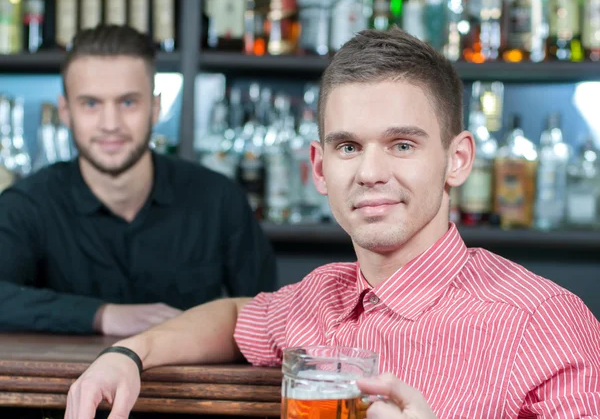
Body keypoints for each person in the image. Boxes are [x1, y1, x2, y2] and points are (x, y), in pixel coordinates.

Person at [64, 27, 600, 419]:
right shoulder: (317, 297)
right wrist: (129, 355)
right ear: (319, 168)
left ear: (457, 160)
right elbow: (233, 316)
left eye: (402, 144)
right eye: (348, 146)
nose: (370, 172)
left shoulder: (544, 326)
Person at [0, 24, 277, 337]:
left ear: (155, 107)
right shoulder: (26, 205)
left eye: (128, 102)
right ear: (66, 112)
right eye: (91, 104)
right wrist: (101, 315)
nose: (110, 124)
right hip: (62, 385)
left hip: (194, 386)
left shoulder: (219, 199)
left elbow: (269, 312)